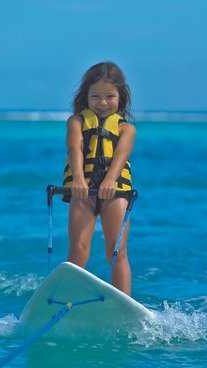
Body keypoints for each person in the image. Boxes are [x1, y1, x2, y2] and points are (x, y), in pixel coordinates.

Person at [61, 62, 136, 296]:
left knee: (116, 250)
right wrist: (79, 181)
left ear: (120, 97)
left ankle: (123, 303)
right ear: (86, 97)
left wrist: (110, 180)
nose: (102, 103)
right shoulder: (76, 122)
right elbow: (75, 148)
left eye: (109, 96)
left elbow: (122, 155)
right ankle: (69, 299)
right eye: (96, 96)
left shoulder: (127, 129)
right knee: (78, 250)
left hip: (115, 192)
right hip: (83, 191)